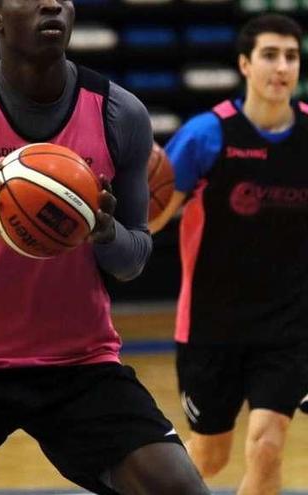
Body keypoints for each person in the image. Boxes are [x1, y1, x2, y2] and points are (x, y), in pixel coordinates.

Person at [0, 1, 210, 494]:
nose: (52, 3)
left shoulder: (119, 113)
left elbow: (134, 261)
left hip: (79, 364)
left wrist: (106, 232)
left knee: (181, 490)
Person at [148, 14, 308, 494]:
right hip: (210, 324)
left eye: (292, 56)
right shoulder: (204, 136)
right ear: (244, 63)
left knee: (268, 442)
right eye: (270, 55)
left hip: (289, 323)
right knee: (209, 457)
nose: (282, 67)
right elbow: (152, 220)